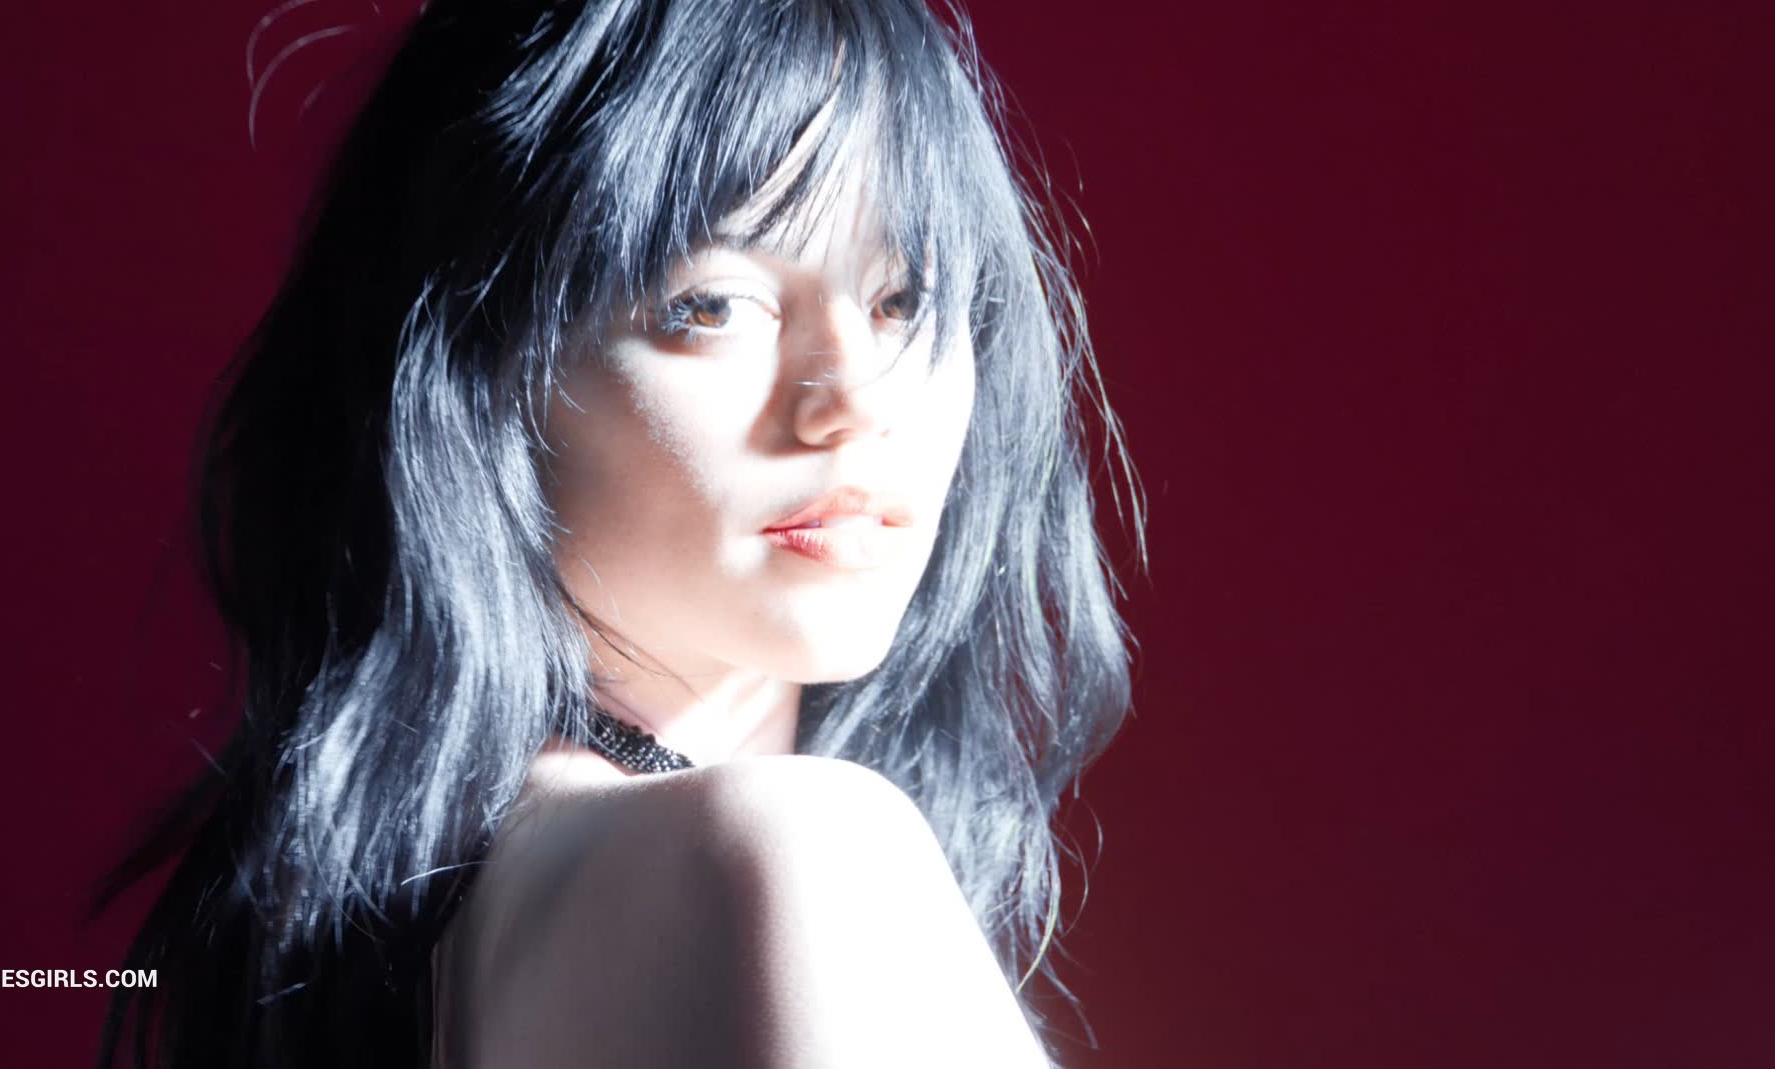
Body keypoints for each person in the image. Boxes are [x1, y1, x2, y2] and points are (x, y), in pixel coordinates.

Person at [93, 0, 1142, 1065]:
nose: (855, 401)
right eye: (715, 306)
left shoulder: (399, 935)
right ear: (489, 370)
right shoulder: (800, 857)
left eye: (904, 299)